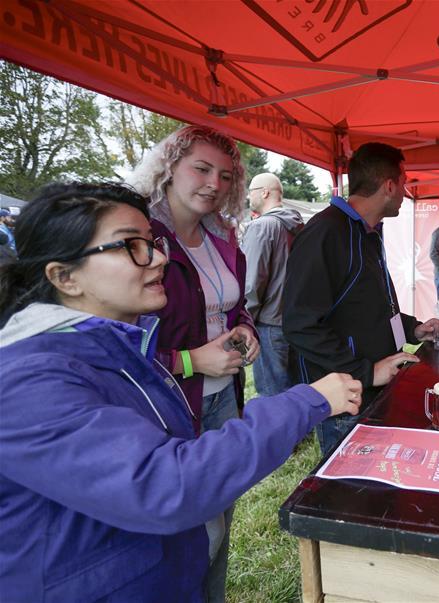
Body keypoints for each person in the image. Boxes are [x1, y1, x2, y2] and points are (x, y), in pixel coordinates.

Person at [0, 182, 362, 602]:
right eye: (131, 246)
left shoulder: (121, 348)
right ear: (64, 277)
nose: (158, 258)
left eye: (152, 241)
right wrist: (307, 400)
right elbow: (165, 486)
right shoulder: (29, 380)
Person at [127, 124, 258, 602]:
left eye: (225, 176)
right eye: (201, 169)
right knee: (183, 534)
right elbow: (118, 345)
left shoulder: (221, 235)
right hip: (168, 410)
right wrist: (189, 360)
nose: (213, 184)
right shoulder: (139, 237)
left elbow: (229, 304)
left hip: (223, 399)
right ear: (168, 167)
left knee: (220, 521)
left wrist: (245, 327)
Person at [283, 142, 439, 455]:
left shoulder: (366, 230)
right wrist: (365, 372)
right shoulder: (326, 233)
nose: (405, 192)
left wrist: (413, 329)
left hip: (371, 386)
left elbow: (370, 305)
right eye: (404, 182)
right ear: (389, 185)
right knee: (349, 489)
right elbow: (300, 324)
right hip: (346, 394)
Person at [241, 172, 305, 396]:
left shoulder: (262, 227)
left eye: (251, 191)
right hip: (297, 322)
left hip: (269, 325)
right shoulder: (299, 226)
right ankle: (301, 431)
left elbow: (250, 283)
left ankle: (285, 433)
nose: (249, 198)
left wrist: (243, 322)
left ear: (264, 192)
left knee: (272, 396)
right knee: (296, 391)